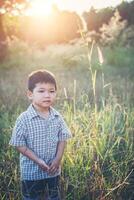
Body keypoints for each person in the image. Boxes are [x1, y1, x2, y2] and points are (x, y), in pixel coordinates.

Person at [9, 69, 71, 200]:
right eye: (41, 91)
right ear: (30, 94)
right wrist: (38, 161)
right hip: (32, 173)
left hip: (53, 171)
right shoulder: (24, 119)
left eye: (51, 91)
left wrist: (58, 159)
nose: (47, 95)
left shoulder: (57, 116)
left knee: (54, 196)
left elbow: (63, 138)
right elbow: (19, 145)